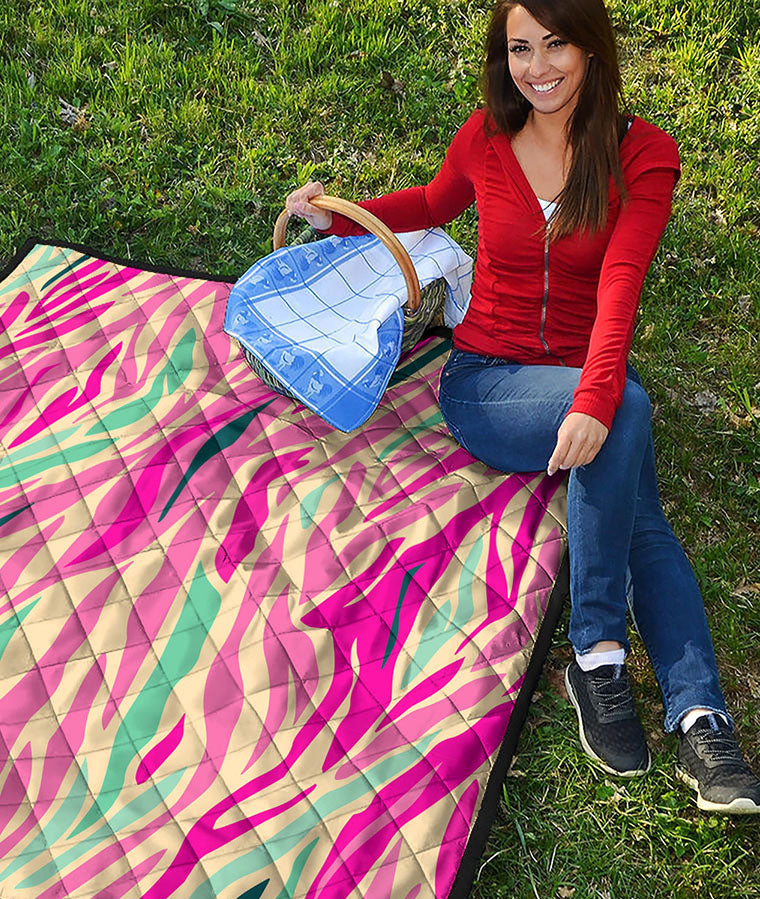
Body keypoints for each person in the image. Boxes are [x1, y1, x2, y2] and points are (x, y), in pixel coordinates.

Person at [284, 0, 760, 814]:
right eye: (519, 49)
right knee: (630, 422)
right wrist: (339, 221)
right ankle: (606, 656)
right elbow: (432, 205)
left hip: (579, 375)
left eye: (556, 44)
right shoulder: (486, 137)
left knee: (634, 475)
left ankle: (693, 713)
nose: (537, 67)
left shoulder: (643, 156)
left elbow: (621, 284)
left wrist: (596, 396)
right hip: (487, 384)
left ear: (591, 48)